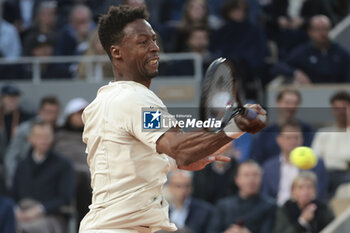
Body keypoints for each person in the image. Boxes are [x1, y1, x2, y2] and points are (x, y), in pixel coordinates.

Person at [79, 5, 266, 233]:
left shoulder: (101, 101)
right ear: (117, 52)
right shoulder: (135, 98)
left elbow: (128, 161)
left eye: (154, 40)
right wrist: (236, 125)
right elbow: (179, 147)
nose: (155, 48)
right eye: (143, 42)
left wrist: (176, 163)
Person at [12, 120, 75, 233]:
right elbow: (13, 194)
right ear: (30, 139)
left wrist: (40, 209)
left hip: (51, 217)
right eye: (39, 136)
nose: (44, 140)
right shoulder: (22, 165)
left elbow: (66, 197)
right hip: (22, 214)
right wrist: (16, 211)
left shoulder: (64, 165)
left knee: (26, 229)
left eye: (47, 136)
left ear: (52, 138)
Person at [261, 121, 327, 205]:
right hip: (276, 212)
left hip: (306, 209)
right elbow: (265, 197)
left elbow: (319, 195)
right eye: (288, 138)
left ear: (302, 139)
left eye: (296, 137)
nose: (293, 142)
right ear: (279, 140)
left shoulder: (315, 164)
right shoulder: (268, 167)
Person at [271, 15, 350, 84]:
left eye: (326, 29)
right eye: (318, 29)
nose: (322, 33)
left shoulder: (341, 53)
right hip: (310, 93)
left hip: (338, 95)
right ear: (310, 32)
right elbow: (279, 66)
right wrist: (296, 73)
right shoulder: (303, 52)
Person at [207, 160, 276, 233]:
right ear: (237, 180)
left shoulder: (270, 206)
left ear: (261, 178)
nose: (251, 180)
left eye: (255, 175)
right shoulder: (223, 206)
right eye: (246, 175)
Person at [53, 97, 91, 228]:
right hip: (62, 179)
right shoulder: (58, 136)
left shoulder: (94, 136)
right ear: (69, 115)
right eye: (78, 113)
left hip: (88, 182)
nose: (81, 117)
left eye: (84, 113)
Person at [5, 96, 60, 185]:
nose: (52, 116)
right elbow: (11, 156)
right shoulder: (24, 130)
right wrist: (16, 178)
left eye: (55, 112)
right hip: (26, 175)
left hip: (52, 176)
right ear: (40, 111)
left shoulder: (60, 130)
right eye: (48, 112)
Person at [251, 88, 313, 164]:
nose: (291, 107)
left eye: (295, 103)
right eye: (287, 103)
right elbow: (256, 160)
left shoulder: (307, 130)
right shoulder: (265, 133)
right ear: (278, 103)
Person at [312, 91, 350, 198]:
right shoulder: (323, 133)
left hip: (346, 175)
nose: (340, 112)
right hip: (325, 174)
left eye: (343, 108)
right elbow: (316, 158)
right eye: (336, 108)